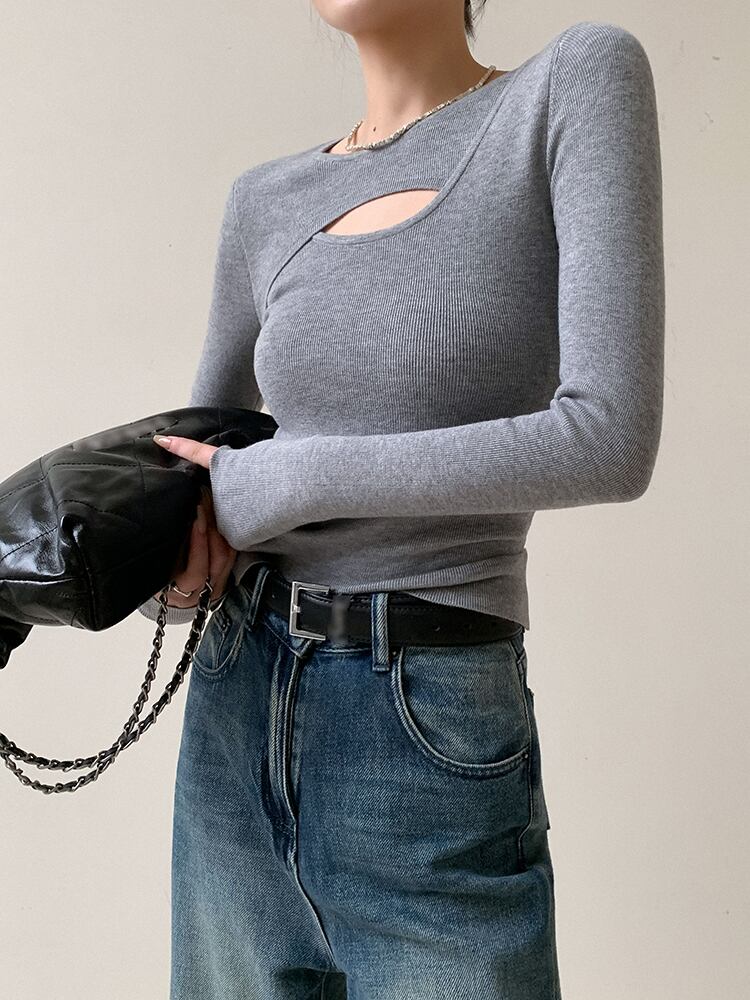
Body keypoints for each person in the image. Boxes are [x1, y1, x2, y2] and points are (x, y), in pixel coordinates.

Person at [138, 2, 664, 997]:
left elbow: (607, 440)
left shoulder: (568, 87)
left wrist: (295, 478)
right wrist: (172, 574)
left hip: (426, 721)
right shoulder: (263, 199)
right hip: (235, 705)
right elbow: (207, 484)